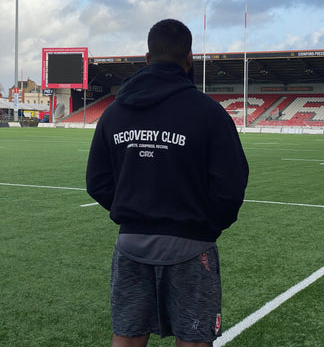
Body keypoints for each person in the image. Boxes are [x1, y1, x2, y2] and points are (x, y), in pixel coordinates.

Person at [86, 19, 249, 347]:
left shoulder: (114, 113)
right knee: (194, 339)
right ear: (190, 58)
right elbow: (231, 186)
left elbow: (97, 181)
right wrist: (205, 225)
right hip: (192, 248)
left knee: (127, 337)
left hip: (131, 245)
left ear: (147, 58)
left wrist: (131, 211)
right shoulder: (210, 113)